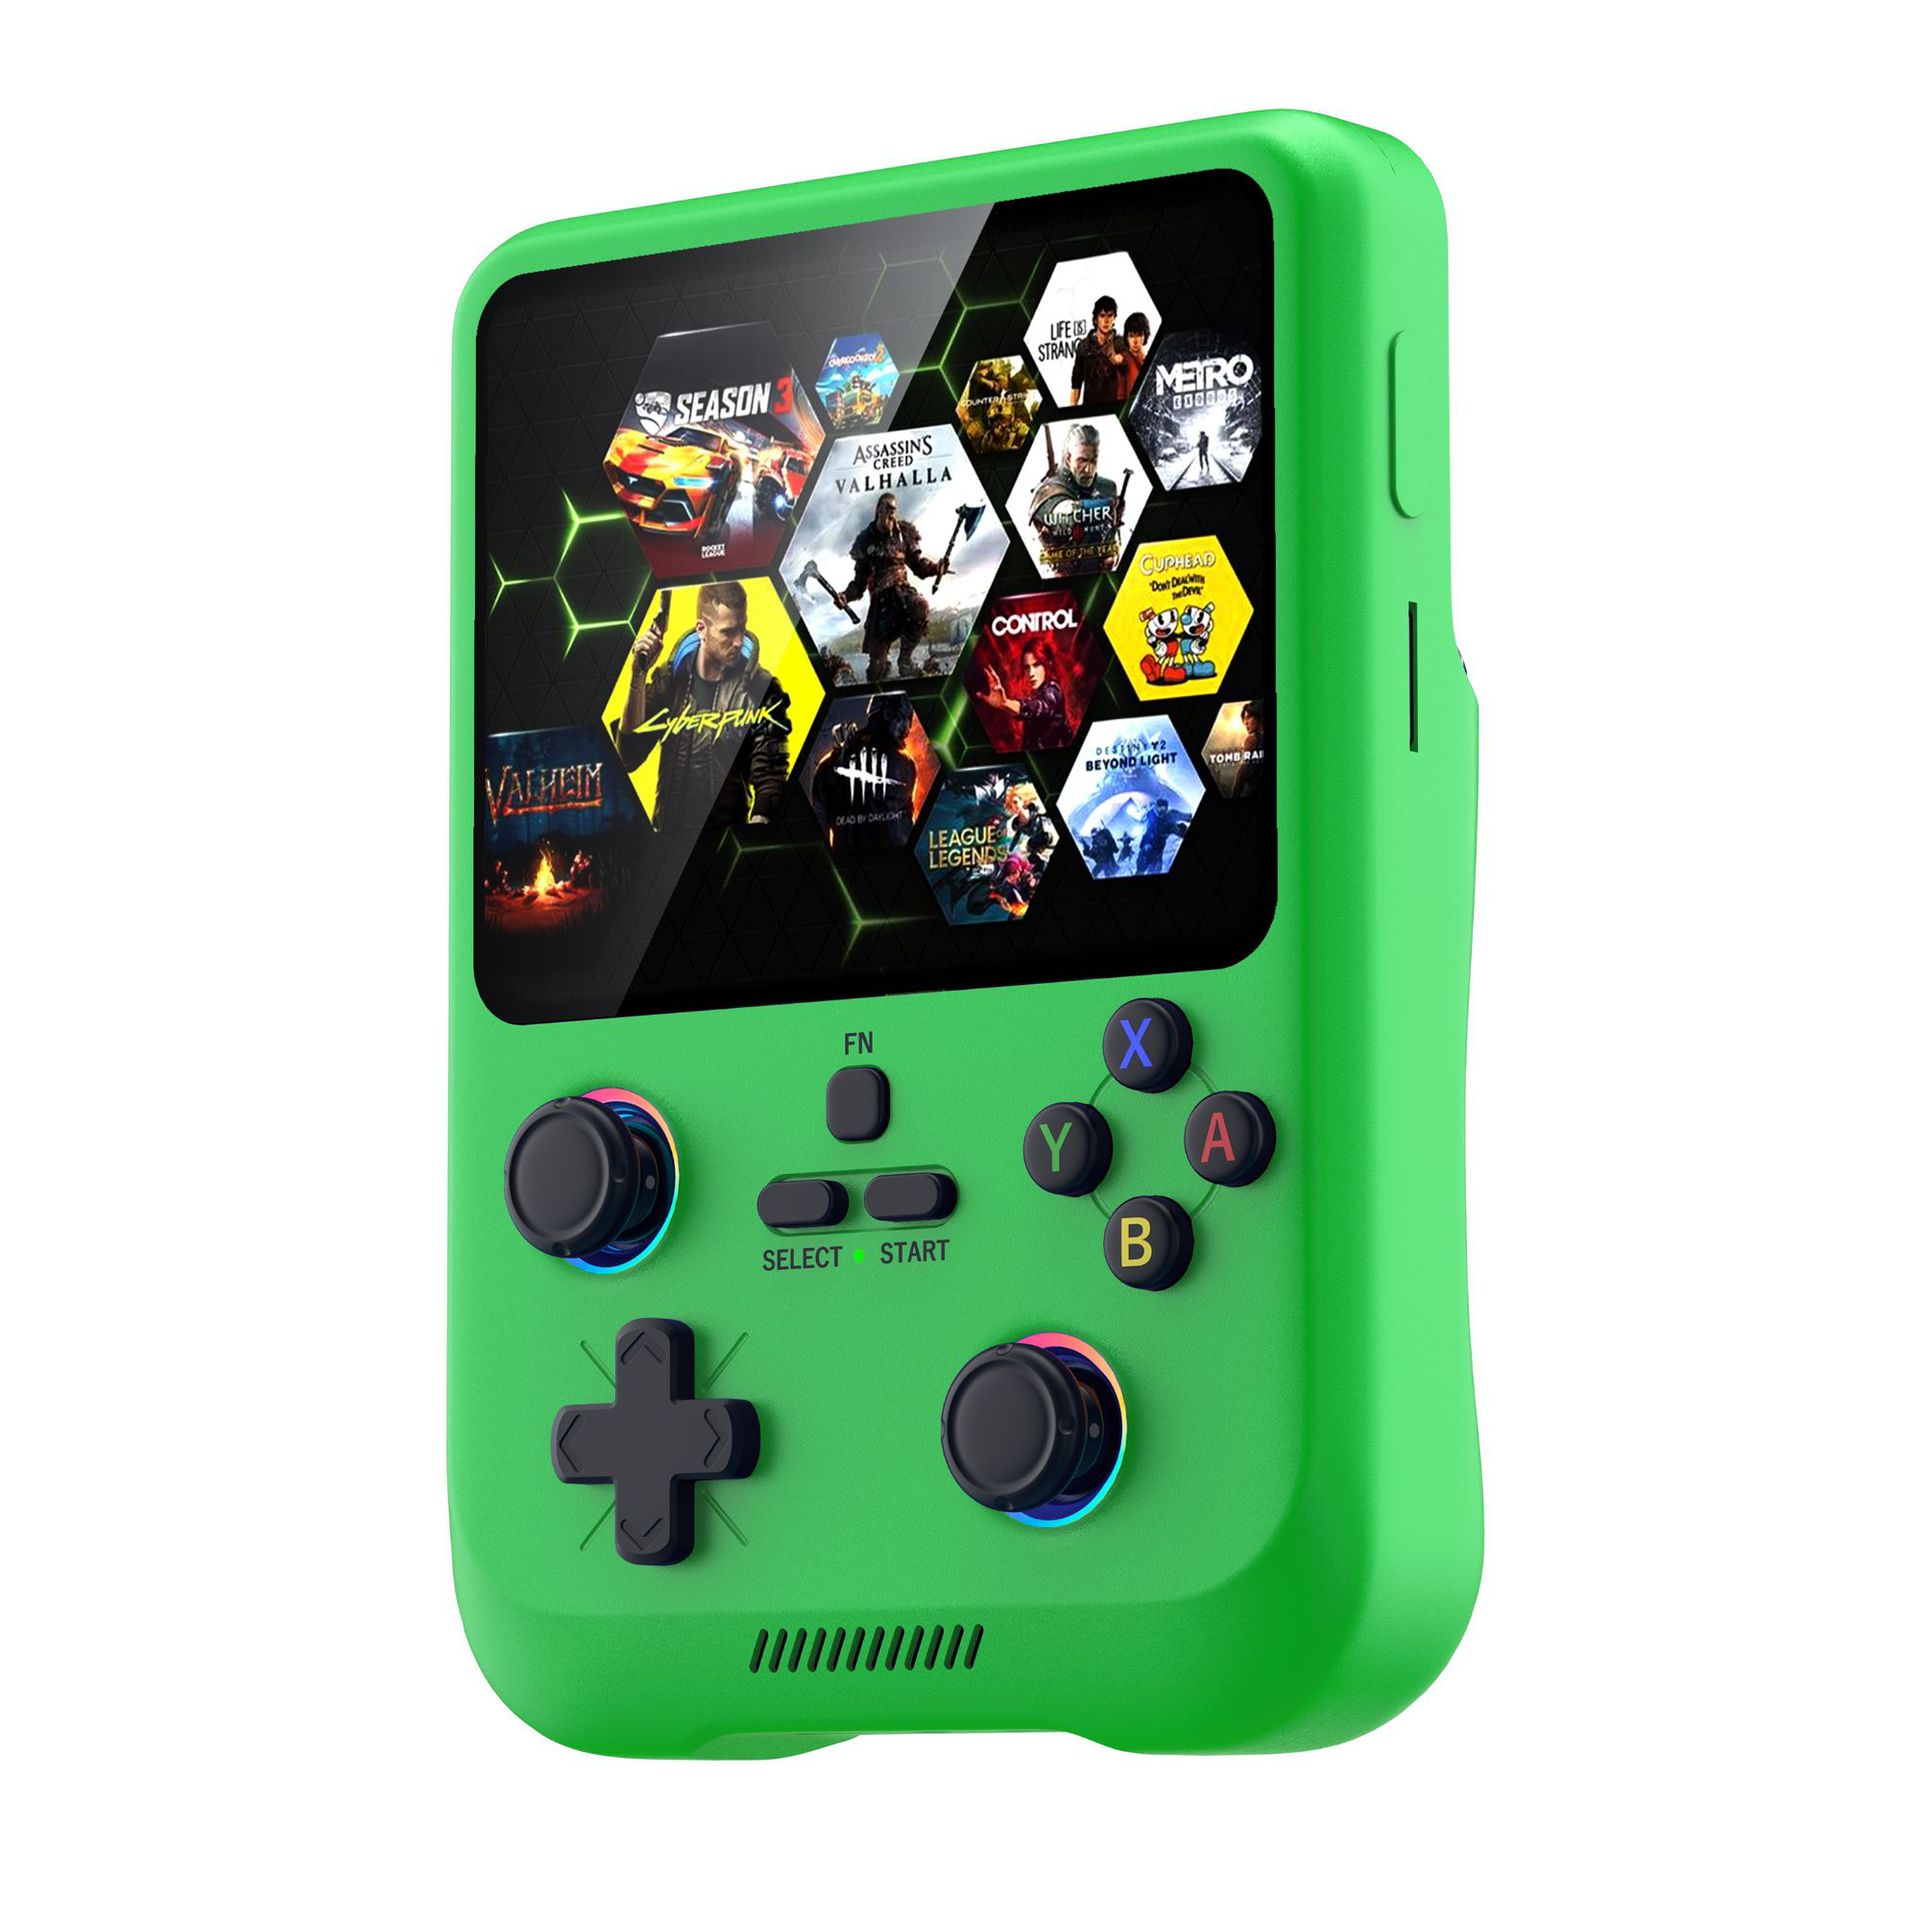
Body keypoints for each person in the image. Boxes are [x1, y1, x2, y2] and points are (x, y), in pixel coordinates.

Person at [609, 580, 791, 833]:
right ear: (702, 629)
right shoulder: (669, 681)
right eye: (728, 632)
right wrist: (638, 675)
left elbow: (770, 777)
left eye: (742, 628)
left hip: (729, 840)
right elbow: (628, 756)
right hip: (670, 841)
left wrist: (755, 834)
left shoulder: (761, 689)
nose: (739, 641)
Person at [839, 487, 948, 680]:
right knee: (876, 670)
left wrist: (935, 567)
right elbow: (859, 583)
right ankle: (882, 669)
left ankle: (905, 662)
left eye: (894, 510)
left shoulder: (903, 533)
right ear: (878, 510)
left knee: (920, 605)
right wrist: (846, 596)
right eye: (888, 508)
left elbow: (918, 566)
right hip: (880, 604)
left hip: (902, 595)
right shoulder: (865, 540)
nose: (891, 514)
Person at [1028, 422, 1124, 576]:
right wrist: (1107, 505)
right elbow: (1066, 515)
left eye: (1093, 460)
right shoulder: (1051, 489)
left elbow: (1113, 535)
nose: (1089, 469)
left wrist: (1113, 555)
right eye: (1082, 460)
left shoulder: (1107, 488)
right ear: (1068, 459)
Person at [978, 641, 1071, 750]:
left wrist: (1005, 703)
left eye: (1036, 665)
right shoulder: (1040, 692)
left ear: (1048, 664)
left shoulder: (1052, 691)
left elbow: (1035, 707)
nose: (1031, 673)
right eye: (1027, 667)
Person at [1068, 295, 1128, 407]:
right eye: (1102, 315)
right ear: (1096, 319)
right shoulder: (1084, 346)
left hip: (1114, 408)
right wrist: (1071, 411)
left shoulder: (1121, 343)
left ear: (1114, 318)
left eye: (1110, 315)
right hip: (1090, 409)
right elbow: (1076, 383)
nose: (1106, 320)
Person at [1118, 311, 1151, 401]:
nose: (1135, 341)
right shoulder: (1124, 359)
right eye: (1131, 336)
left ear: (1145, 336)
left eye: (1139, 335)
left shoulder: (1150, 360)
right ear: (1127, 337)